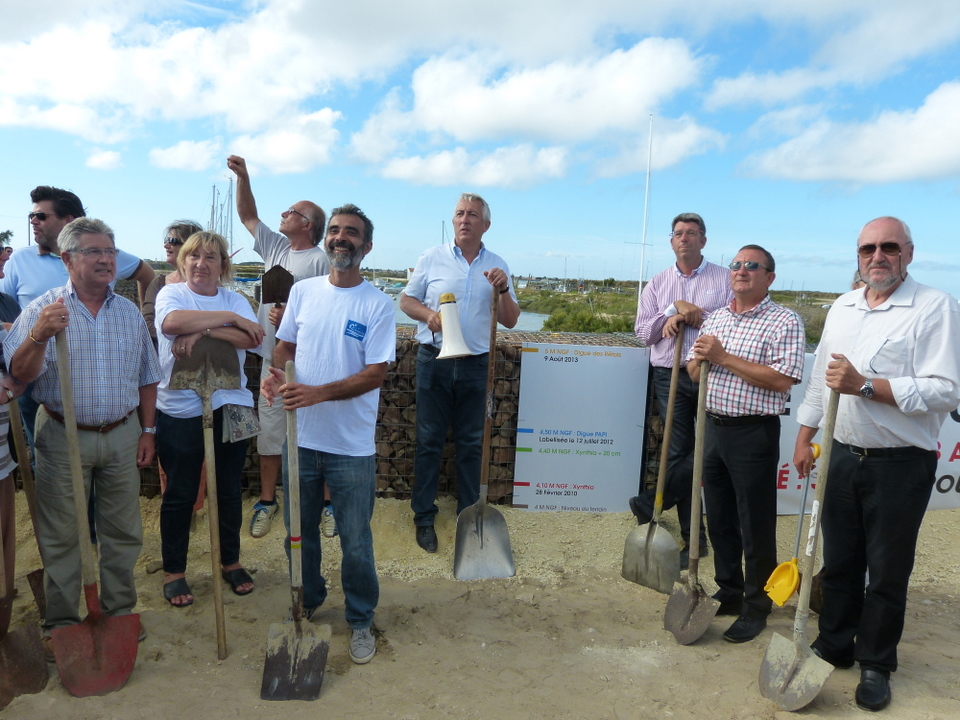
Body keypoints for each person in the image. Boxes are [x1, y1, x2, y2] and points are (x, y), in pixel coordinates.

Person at [793, 217, 960, 712]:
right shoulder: (842, 307)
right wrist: (804, 437)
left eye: (889, 247)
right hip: (842, 455)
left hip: (901, 464)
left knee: (887, 570)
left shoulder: (934, 307)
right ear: (858, 255)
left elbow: (947, 389)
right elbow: (822, 382)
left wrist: (867, 385)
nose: (878, 256)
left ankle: (876, 663)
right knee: (841, 561)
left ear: (908, 253)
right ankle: (835, 643)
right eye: (868, 248)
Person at [3, 218, 161, 658]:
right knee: (62, 533)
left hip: (122, 434)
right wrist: (38, 336)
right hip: (60, 434)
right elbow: (18, 374)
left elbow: (149, 377)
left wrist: (148, 430)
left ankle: (118, 612)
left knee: (122, 530)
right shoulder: (45, 309)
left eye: (110, 251)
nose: (107, 259)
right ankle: (62, 621)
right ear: (69, 259)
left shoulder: (128, 312)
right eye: (94, 252)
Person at [262, 203, 394, 665]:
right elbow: (286, 344)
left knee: (356, 539)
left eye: (352, 233)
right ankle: (309, 599)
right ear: (326, 238)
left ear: (367, 246)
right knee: (298, 532)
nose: (341, 238)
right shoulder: (304, 292)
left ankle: (360, 618)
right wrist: (274, 371)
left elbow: (375, 373)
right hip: (300, 438)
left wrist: (318, 393)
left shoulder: (378, 304)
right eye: (335, 230)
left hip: (350, 447)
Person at [686, 245, 805, 643]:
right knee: (718, 517)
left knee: (754, 523)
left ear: (770, 277)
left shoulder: (784, 321)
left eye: (752, 266)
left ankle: (758, 605)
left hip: (753, 432)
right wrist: (698, 359)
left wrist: (721, 355)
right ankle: (731, 590)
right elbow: (693, 371)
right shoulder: (717, 316)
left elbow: (782, 380)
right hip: (713, 428)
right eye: (736, 265)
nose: (741, 271)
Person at [400, 193, 520, 553]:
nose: (464, 219)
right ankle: (424, 517)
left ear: (486, 224)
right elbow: (406, 300)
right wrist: (428, 315)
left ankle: (469, 516)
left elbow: (511, 319)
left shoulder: (498, 265)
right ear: (453, 221)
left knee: (471, 443)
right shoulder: (431, 258)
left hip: (477, 364)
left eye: (472, 215)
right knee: (429, 441)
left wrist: (502, 289)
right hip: (433, 358)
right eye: (459, 214)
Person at [154, 231, 264, 607]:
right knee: (181, 492)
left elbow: (251, 338)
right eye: (194, 256)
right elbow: (171, 324)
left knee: (230, 488)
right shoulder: (172, 294)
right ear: (183, 262)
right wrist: (229, 321)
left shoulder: (236, 298)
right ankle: (175, 571)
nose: (201, 264)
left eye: (211, 258)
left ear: (223, 266)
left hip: (232, 404)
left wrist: (202, 329)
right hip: (180, 407)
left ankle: (230, 562)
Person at [1, 186, 155, 451]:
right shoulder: (20, 259)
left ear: (68, 220)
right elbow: (5, 309)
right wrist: (33, 332)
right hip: (36, 377)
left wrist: (148, 317)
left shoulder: (107, 256)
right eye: (31, 215)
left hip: (100, 386)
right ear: (67, 260)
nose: (33, 221)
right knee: (49, 461)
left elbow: (147, 274)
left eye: (41, 216)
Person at [227, 155, 330, 539]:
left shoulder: (320, 260)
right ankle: (268, 501)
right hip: (272, 360)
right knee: (270, 434)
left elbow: (326, 310)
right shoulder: (275, 247)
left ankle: (324, 503)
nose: (283, 214)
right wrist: (244, 177)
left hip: (310, 365)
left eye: (292, 212)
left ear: (308, 224)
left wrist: (292, 319)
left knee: (316, 435)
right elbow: (247, 215)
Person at [630, 212, 731, 568]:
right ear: (671, 241)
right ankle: (693, 536)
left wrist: (696, 315)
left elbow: (734, 320)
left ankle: (650, 504)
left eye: (691, 233)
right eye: (678, 233)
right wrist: (672, 312)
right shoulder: (657, 284)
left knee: (706, 448)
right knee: (678, 451)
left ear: (703, 240)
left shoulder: (724, 279)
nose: (684, 238)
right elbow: (644, 333)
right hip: (667, 373)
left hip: (709, 372)